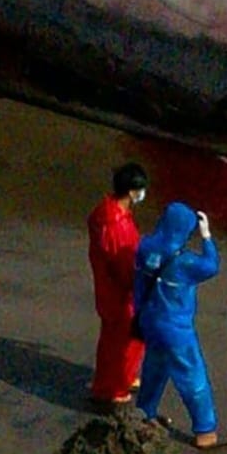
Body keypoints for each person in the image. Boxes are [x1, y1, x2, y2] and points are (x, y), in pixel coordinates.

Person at [133, 202, 227, 450]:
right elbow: (211, 266)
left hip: (149, 320)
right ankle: (205, 431)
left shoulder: (145, 248)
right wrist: (206, 237)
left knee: (154, 368)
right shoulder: (185, 263)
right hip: (176, 328)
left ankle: (145, 414)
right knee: (192, 377)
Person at [86, 163, 149, 410]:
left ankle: (120, 379)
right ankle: (110, 389)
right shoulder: (116, 224)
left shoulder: (104, 212)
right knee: (123, 340)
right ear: (133, 191)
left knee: (116, 338)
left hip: (109, 288)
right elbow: (124, 266)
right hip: (121, 293)